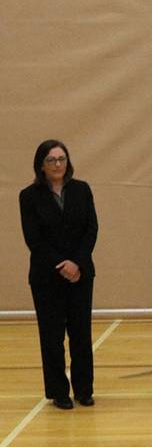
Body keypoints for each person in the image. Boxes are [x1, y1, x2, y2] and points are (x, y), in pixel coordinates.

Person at [19, 140, 99, 410]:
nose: (57, 164)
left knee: (80, 334)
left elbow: (91, 230)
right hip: (46, 278)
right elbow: (34, 239)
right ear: (41, 165)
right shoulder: (29, 197)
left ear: (68, 162)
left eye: (61, 159)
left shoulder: (82, 190)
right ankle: (58, 392)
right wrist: (62, 264)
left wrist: (76, 263)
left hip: (80, 275)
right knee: (52, 337)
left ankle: (84, 390)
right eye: (51, 160)